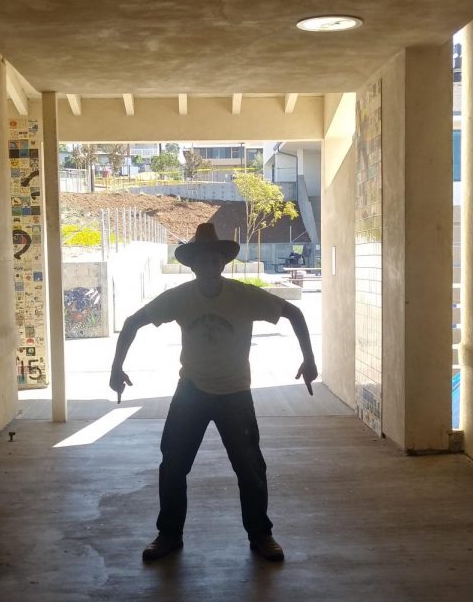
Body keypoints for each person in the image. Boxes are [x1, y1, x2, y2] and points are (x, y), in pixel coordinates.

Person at [109, 222, 318, 562]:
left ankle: (261, 535)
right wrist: (116, 368)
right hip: (191, 391)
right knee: (173, 465)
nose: (208, 263)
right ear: (193, 264)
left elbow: (293, 313)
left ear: (223, 261)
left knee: (250, 469)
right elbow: (133, 321)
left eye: (214, 257)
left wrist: (309, 360)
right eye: (202, 258)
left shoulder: (244, 295)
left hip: (235, 393)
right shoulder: (179, 298)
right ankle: (169, 534)